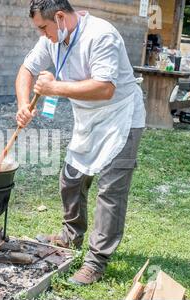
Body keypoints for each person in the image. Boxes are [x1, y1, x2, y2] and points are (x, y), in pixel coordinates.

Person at [15, 0, 146, 285]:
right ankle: (71, 237)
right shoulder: (53, 38)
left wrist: (54, 88)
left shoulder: (102, 35)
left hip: (120, 116)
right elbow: (26, 70)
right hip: (87, 119)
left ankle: (96, 262)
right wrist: (24, 104)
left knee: (110, 192)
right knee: (71, 179)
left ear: (60, 18)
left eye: (43, 28)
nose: (43, 35)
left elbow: (105, 87)